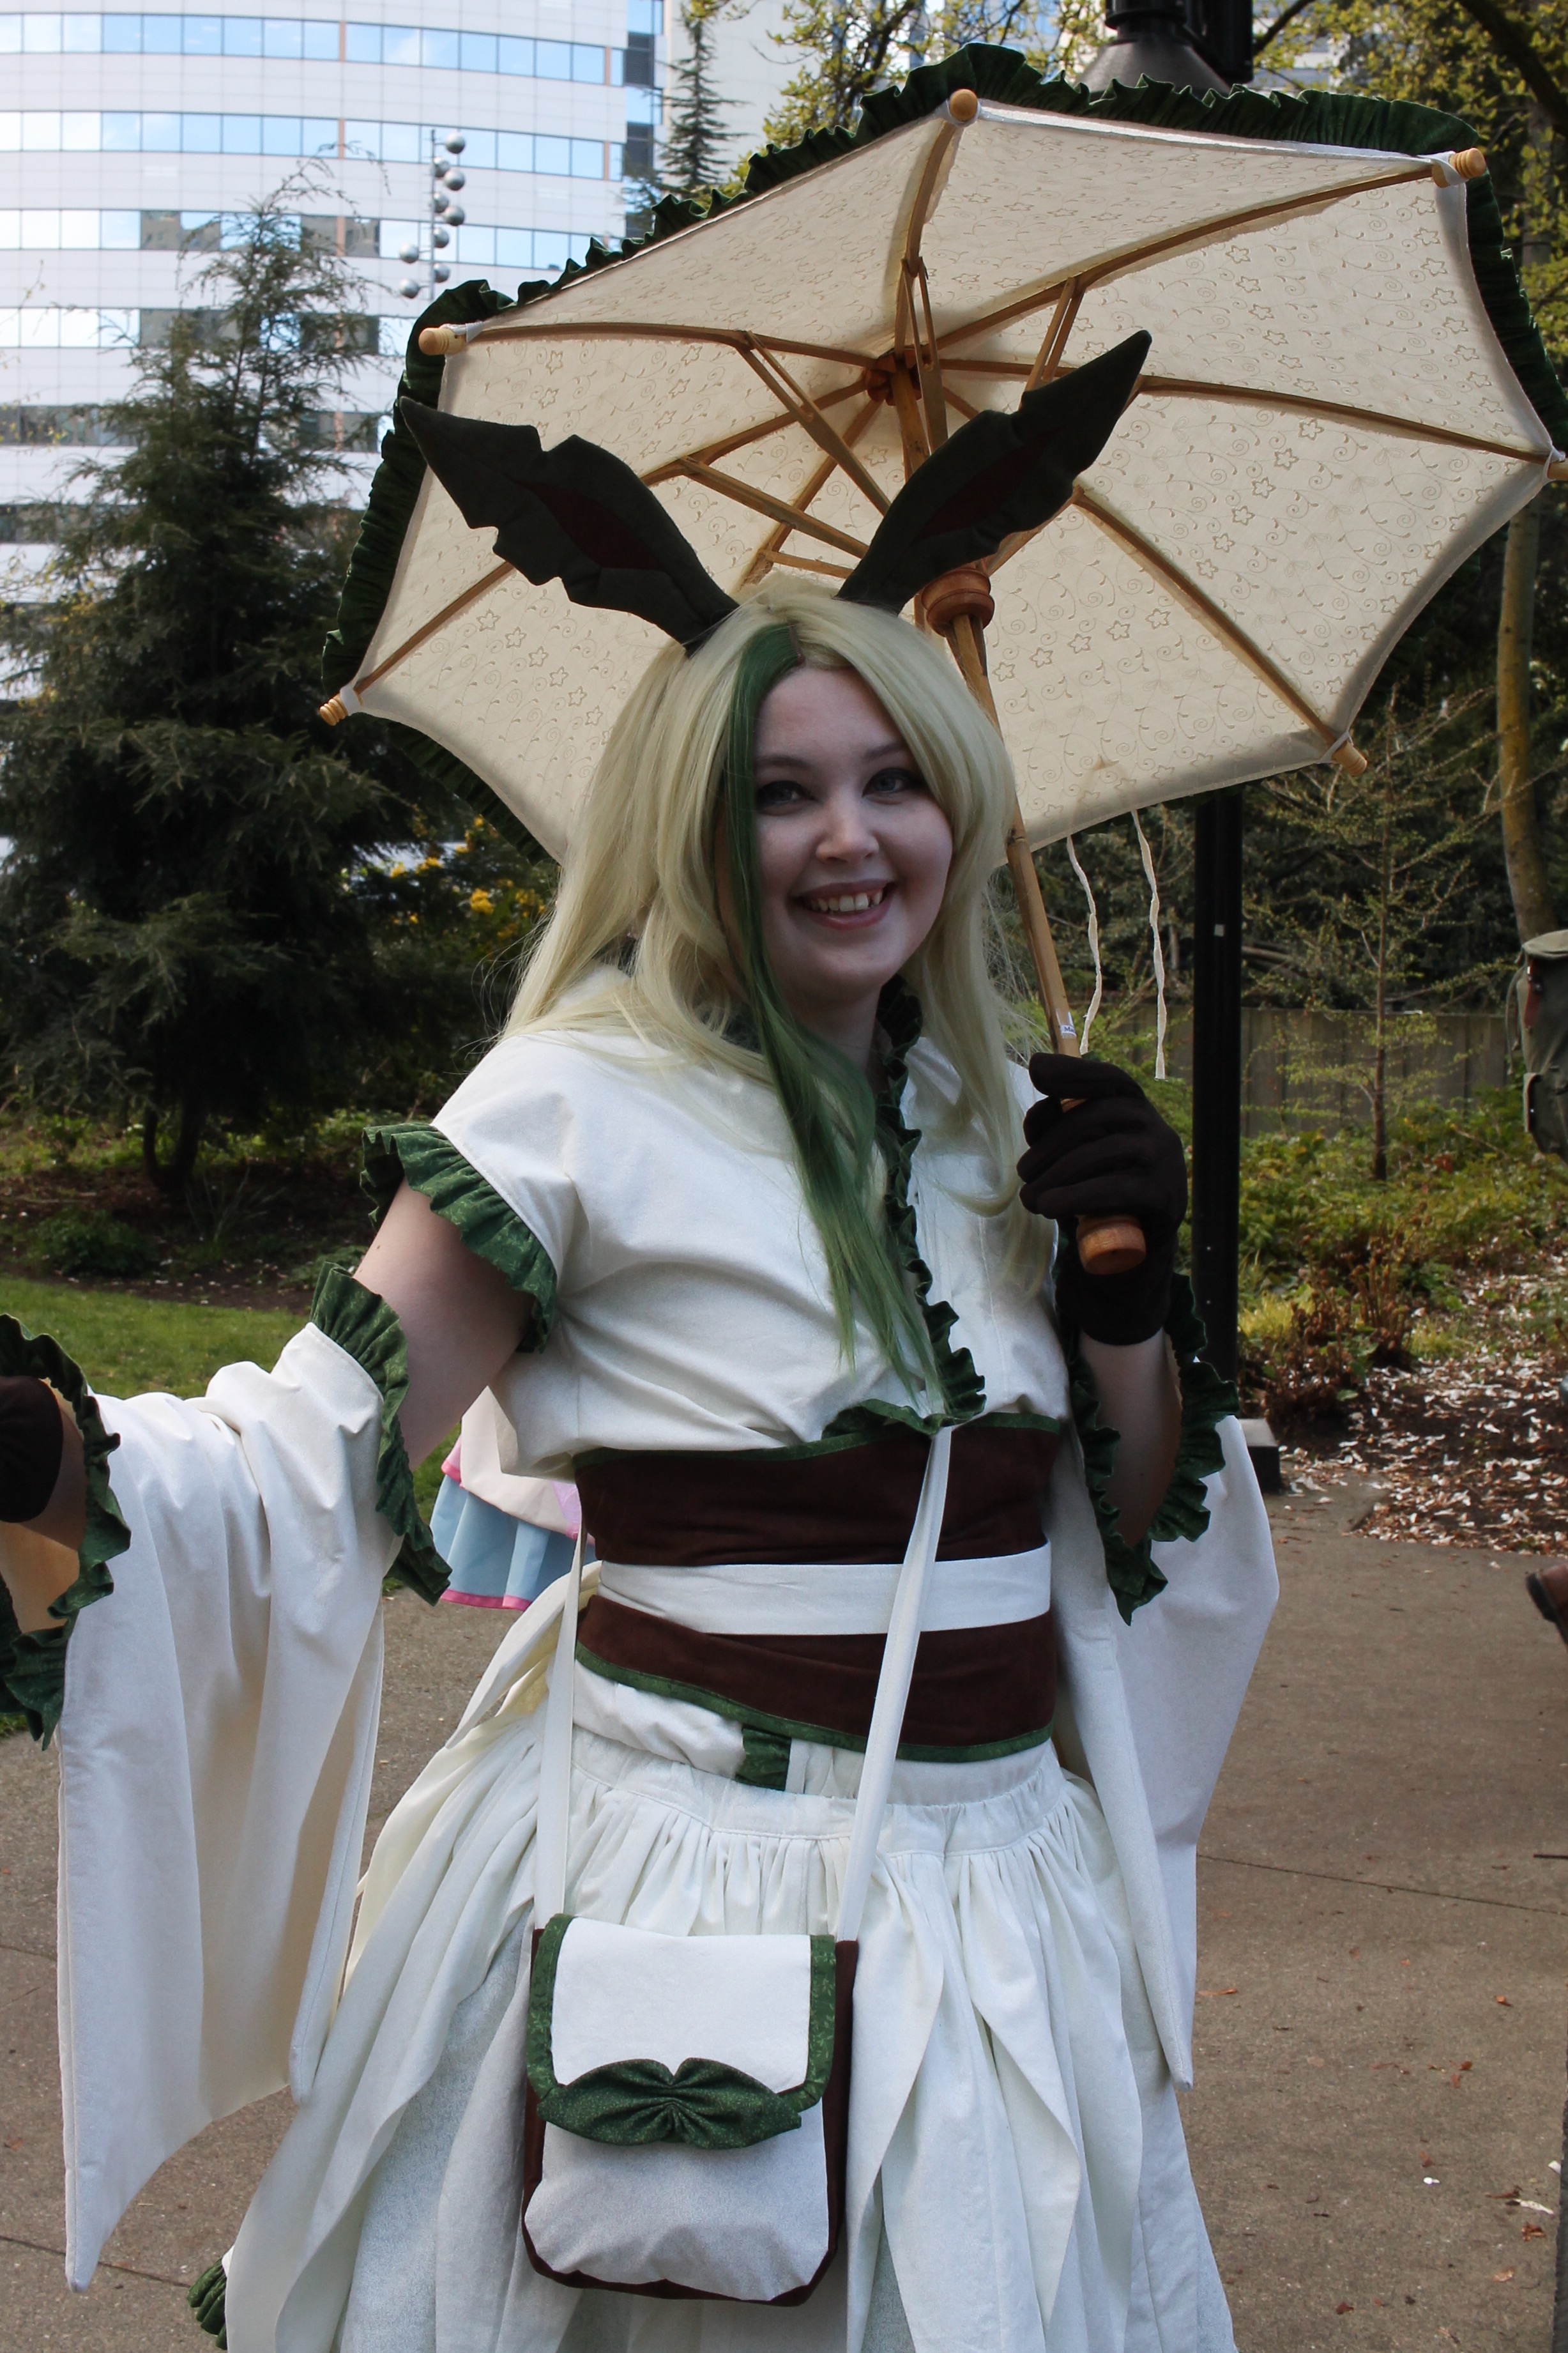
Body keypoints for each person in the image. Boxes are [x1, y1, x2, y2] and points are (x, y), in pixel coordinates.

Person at [0, 564, 1275, 2351]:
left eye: (895, 781)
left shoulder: (1013, 1124)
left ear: (963, 810)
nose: (852, 839)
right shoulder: (572, 1104)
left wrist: (1128, 1310)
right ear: (690, 823)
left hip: (1004, 1900)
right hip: (685, 1883)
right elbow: (311, 1454)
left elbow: (1128, 1535)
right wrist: (36, 1447)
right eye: (782, 791)